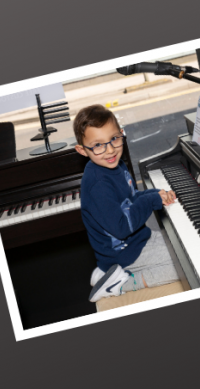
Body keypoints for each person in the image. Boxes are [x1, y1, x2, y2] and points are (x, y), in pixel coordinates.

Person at [75, 105, 180, 302]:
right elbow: (122, 228)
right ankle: (118, 284)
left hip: (137, 240)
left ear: (121, 134)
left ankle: (106, 271)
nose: (110, 149)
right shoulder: (98, 185)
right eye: (98, 145)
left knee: (180, 245)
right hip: (124, 253)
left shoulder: (115, 164)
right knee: (184, 266)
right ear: (82, 150)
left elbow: (129, 200)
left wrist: (154, 193)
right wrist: (151, 200)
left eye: (114, 138)